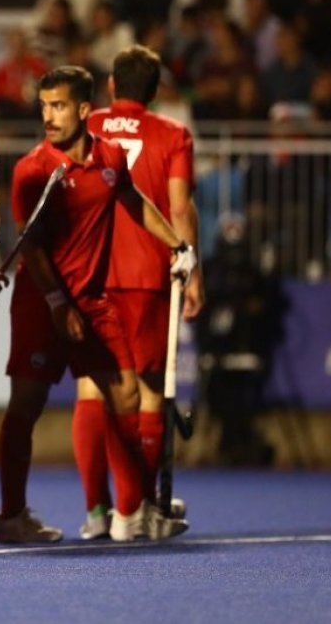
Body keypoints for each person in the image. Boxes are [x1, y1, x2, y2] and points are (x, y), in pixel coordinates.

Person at [11, 65, 191, 542]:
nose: (48, 116)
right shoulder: (33, 169)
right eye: (44, 106)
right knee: (25, 406)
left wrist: (177, 244)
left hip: (91, 301)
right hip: (41, 301)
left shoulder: (110, 156)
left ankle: (128, 511)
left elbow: (132, 201)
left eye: (59, 106)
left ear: (85, 109)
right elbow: (30, 247)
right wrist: (57, 303)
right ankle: (12, 514)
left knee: (126, 394)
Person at [80, 45, 203, 537]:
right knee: (149, 392)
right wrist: (194, 272)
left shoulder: (87, 128)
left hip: (89, 273)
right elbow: (179, 208)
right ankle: (138, 509)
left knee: (92, 387)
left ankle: (96, 513)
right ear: (155, 92)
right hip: (147, 275)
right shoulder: (172, 134)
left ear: (111, 85)